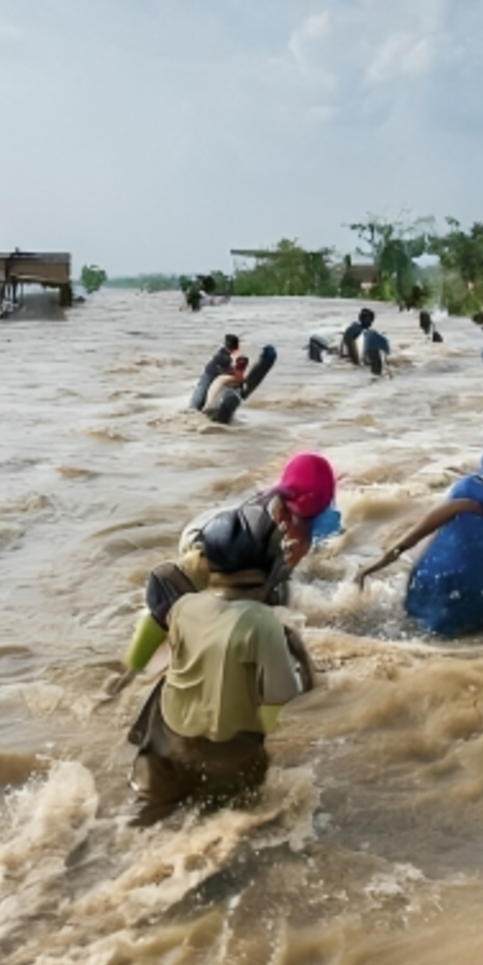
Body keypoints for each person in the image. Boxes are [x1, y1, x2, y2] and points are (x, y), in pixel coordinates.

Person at [121, 508, 311, 826]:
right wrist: (259, 732)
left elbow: (146, 646)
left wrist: (127, 673)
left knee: (148, 814)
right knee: (227, 823)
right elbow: (279, 694)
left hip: (168, 738)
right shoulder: (264, 623)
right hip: (228, 750)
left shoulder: (183, 606)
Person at [114, 453, 340, 692]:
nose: (304, 533)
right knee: (174, 603)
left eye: (311, 523)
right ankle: (127, 678)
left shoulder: (286, 530)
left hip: (233, 545)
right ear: (284, 512)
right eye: (301, 523)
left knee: (271, 604)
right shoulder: (249, 536)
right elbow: (164, 585)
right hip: (204, 542)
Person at [355, 424, 483, 638]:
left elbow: (419, 534)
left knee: (417, 639)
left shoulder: (467, 491)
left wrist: (370, 569)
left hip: (440, 591)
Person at [189, 334, 240, 411]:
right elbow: (227, 369)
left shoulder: (224, 352)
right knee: (201, 394)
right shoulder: (224, 356)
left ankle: (203, 407)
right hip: (210, 374)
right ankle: (194, 408)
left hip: (213, 374)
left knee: (205, 392)